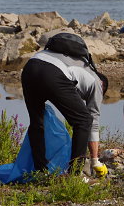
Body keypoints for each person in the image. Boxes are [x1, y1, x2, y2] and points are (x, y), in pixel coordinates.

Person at [20, 46, 109, 178]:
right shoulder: (97, 83)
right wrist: (95, 161)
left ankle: (40, 172)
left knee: (37, 121)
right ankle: (75, 175)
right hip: (52, 71)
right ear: (103, 85)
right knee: (84, 121)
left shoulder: (81, 71)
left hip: (31, 66)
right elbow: (93, 122)